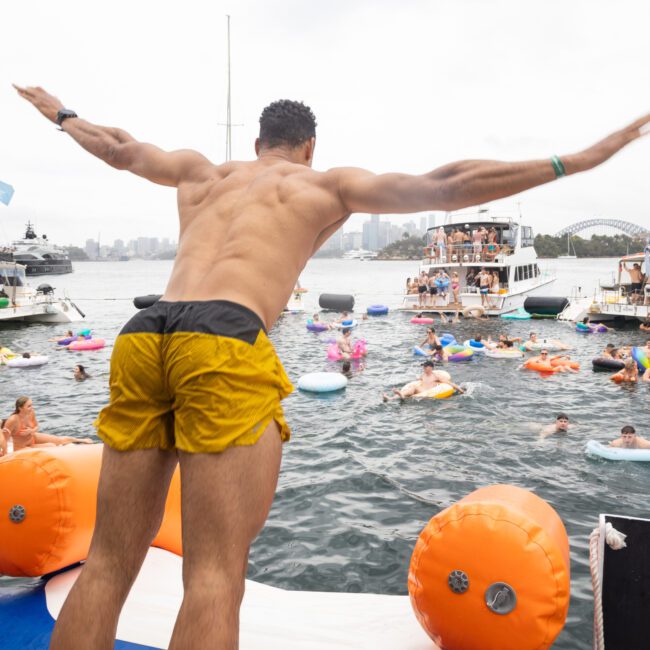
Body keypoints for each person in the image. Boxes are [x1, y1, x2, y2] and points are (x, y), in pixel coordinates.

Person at [14, 83, 650, 650]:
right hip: (222, 339)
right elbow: (449, 183)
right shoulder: (323, 184)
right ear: (309, 147)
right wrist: (579, 160)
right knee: (213, 573)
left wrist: (62, 113)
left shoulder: (200, 172)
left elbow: (120, 148)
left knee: (107, 559)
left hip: (146, 332)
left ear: (258, 142)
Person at [3, 396, 94, 451]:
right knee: (52, 446)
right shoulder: (13, 420)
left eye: (32, 405)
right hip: (22, 447)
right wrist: (4, 453)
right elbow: (4, 439)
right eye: (29, 406)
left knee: (59, 440)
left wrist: (31, 431)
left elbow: (37, 426)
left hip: (32, 437)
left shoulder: (31, 412)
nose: (32, 407)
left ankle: (80, 440)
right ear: (20, 408)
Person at [382, 360, 464, 401]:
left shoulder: (436, 376)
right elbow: (417, 381)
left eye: (425, 366)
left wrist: (461, 391)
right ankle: (391, 398)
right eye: (423, 366)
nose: (423, 368)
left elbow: (450, 383)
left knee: (413, 388)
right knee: (413, 387)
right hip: (420, 390)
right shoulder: (423, 375)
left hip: (427, 392)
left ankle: (401, 395)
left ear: (431, 367)